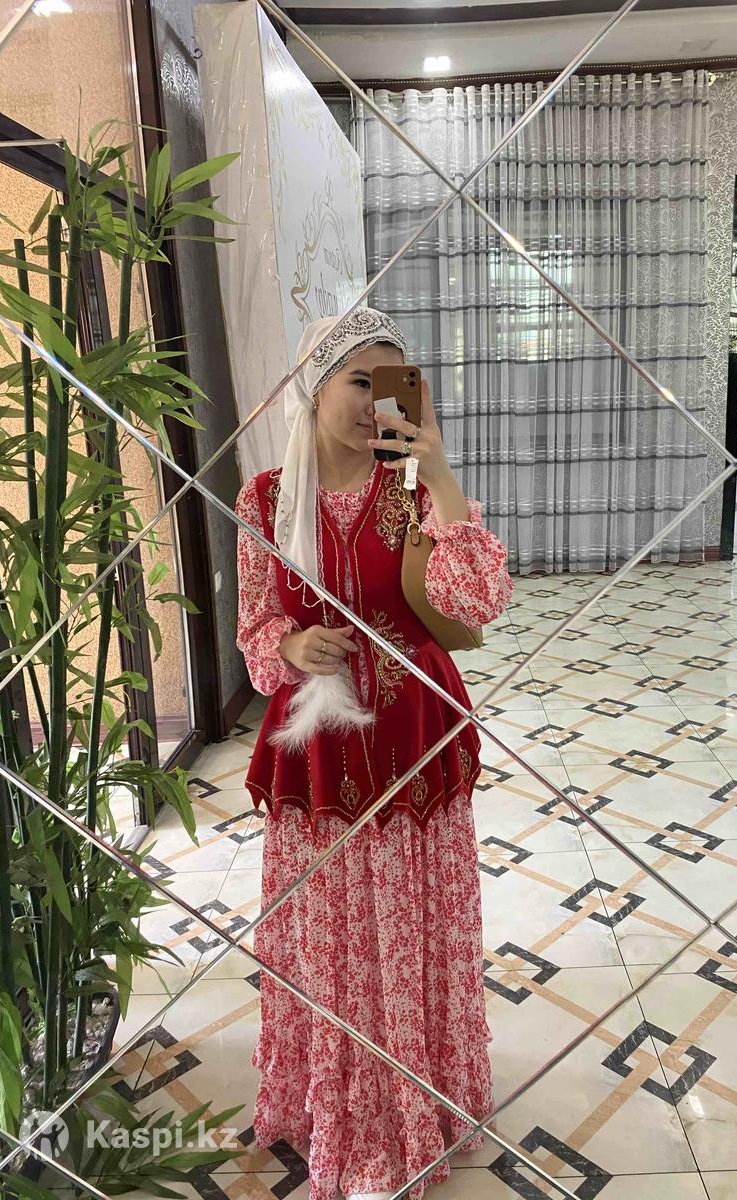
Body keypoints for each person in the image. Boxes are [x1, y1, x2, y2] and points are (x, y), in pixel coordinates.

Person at [234, 309, 512, 1200]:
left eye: (393, 385)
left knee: (408, 922)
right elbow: (254, 629)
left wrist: (441, 476)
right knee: (332, 934)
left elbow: (480, 600)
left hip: (412, 736)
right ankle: (340, 1100)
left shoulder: (412, 489)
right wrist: (289, 645)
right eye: (360, 381)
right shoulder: (265, 499)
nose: (375, 404)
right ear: (314, 386)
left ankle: (414, 1097)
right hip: (316, 751)